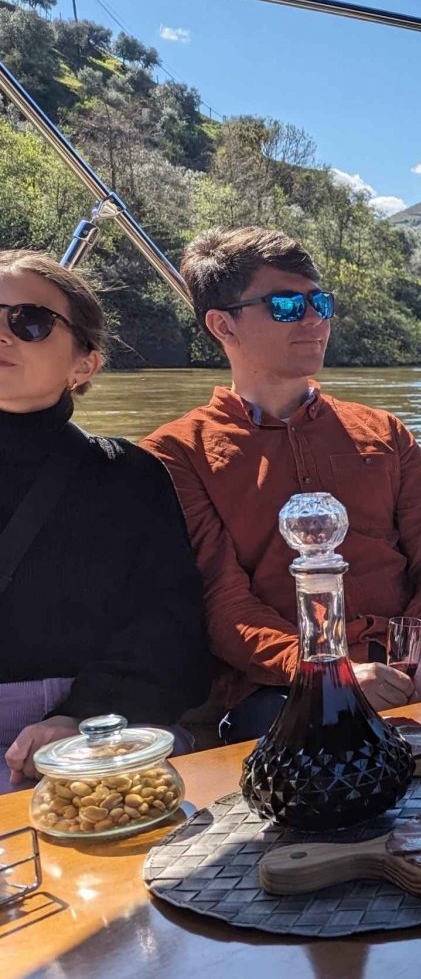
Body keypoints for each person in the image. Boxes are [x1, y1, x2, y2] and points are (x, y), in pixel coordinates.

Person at [140, 228, 421, 744]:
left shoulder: (384, 431)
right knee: (308, 754)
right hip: (284, 688)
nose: (313, 320)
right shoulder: (177, 453)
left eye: (319, 301)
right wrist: (328, 671)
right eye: (285, 305)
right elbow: (223, 604)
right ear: (222, 324)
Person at [0, 251, 211, 791]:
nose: (3, 334)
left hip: (91, 732)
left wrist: (80, 720)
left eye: (29, 321)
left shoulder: (128, 476)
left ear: (84, 365)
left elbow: (168, 626)